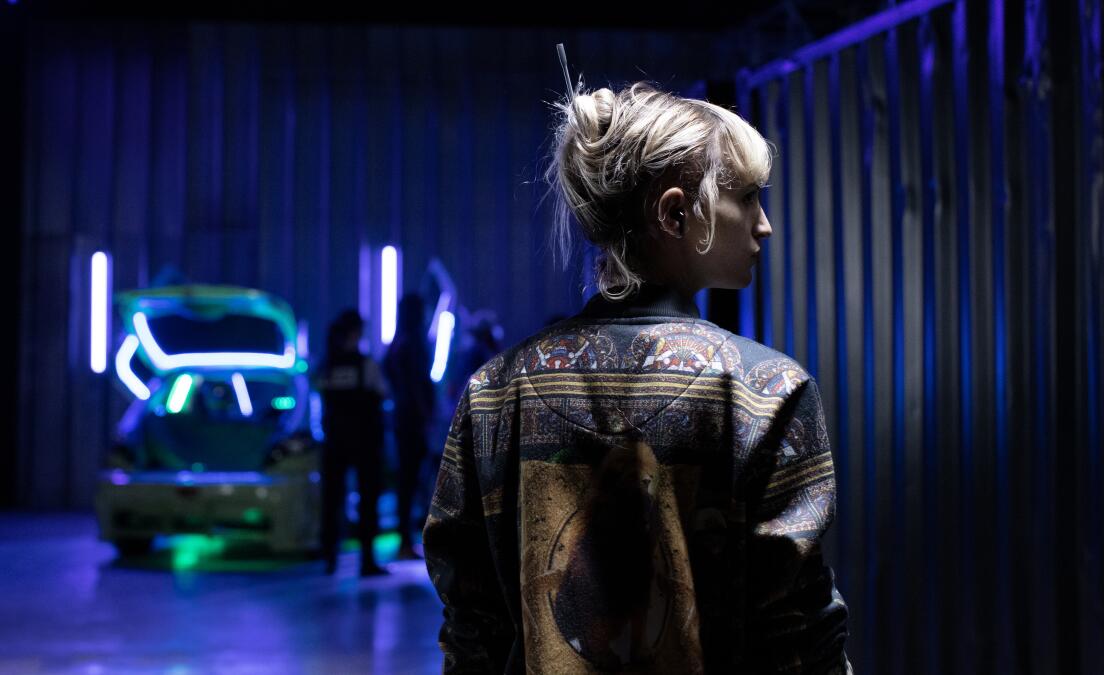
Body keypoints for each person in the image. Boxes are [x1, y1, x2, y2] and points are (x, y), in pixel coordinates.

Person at [424, 81, 852, 673]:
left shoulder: (496, 392)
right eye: (749, 197)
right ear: (676, 213)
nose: (765, 225)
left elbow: (472, 633)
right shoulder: (767, 391)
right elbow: (798, 636)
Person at [316, 309, 389, 577]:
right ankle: (367, 560)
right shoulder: (366, 365)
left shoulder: (327, 364)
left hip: (335, 440)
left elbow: (321, 396)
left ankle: (329, 557)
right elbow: (381, 394)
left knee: (332, 499)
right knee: (367, 500)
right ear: (356, 332)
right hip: (364, 441)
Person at [383, 294, 435, 560]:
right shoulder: (413, 343)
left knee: (406, 479)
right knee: (413, 479)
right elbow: (418, 384)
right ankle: (407, 540)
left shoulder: (397, 343)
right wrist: (426, 414)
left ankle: (405, 538)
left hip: (402, 417)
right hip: (413, 418)